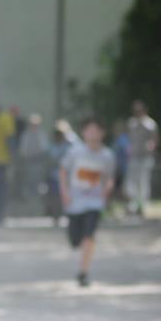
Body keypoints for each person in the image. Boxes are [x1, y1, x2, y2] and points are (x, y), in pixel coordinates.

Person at [59, 117, 115, 287]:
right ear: (83, 133)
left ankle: (83, 272)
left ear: (102, 133)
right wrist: (65, 193)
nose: (92, 134)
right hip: (75, 203)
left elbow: (109, 177)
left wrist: (106, 193)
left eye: (96, 131)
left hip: (94, 203)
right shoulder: (75, 152)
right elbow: (63, 172)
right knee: (75, 240)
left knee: (89, 236)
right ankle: (79, 248)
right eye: (89, 130)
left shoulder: (107, 155)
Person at [125, 99, 158, 216]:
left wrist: (151, 146)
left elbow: (154, 139)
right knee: (131, 182)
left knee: (144, 181)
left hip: (145, 157)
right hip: (134, 156)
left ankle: (143, 205)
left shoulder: (150, 124)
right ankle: (133, 204)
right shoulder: (131, 123)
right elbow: (129, 138)